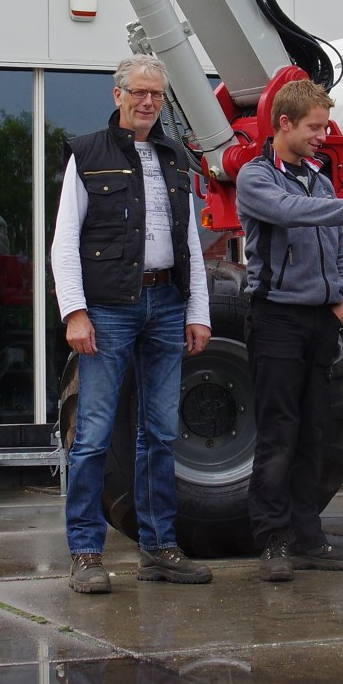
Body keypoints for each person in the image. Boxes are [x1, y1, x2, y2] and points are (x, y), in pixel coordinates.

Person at [51, 54, 213, 594]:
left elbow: (189, 239)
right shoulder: (87, 153)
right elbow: (63, 244)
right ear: (117, 94)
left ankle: (159, 548)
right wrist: (74, 312)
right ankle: (85, 553)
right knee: (93, 436)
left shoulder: (174, 157)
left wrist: (198, 312)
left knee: (161, 435)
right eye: (139, 92)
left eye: (156, 95)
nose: (148, 101)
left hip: (166, 303)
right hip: (108, 312)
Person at [236, 78, 343, 582]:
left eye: (324, 125)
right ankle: (273, 542)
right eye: (314, 127)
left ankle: (309, 538)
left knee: (316, 432)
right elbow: (293, 214)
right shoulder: (255, 177)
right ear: (283, 124)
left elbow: (335, 246)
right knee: (278, 433)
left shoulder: (321, 181)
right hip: (277, 319)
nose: (322, 136)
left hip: (321, 319)